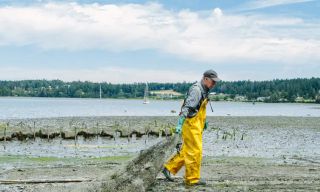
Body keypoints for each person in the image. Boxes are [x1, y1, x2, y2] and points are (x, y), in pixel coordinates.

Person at [162, 69, 220, 186]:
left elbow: (198, 108)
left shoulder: (204, 90)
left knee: (187, 150)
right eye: (212, 81)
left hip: (197, 123)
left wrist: (204, 121)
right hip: (190, 124)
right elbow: (187, 107)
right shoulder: (196, 90)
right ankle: (192, 179)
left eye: (215, 82)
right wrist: (179, 124)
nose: (214, 84)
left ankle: (168, 167)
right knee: (195, 151)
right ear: (205, 79)